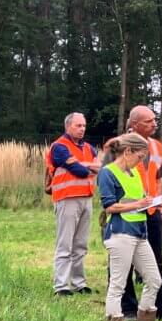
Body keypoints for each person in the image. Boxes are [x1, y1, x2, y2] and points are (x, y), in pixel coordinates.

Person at [98, 133, 162, 321]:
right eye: (140, 156)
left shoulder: (133, 173)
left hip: (139, 233)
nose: (141, 161)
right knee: (117, 285)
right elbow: (109, 205)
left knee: (154, 280)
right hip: (120, 234)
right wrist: (137, 205)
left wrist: (154, 201)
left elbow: (138, 201)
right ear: (127, 151)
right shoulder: (107, 173)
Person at [115, 105, 162, 321]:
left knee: (156, 260)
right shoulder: (119, 146)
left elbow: (158, 176)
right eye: (148, 121)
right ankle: (127, 309)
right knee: (124, 260)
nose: (154, 124)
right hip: (128, 212)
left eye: (155, 120)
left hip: (152, 212)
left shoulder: (156, 146)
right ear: (134, 124)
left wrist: (161, 199)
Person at [47, 112, 101, 296]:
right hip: (67, 198)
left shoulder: (89, 148)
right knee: (65, 243)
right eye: (78, 125)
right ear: (68, 126)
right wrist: (89, 166)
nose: (82, 129)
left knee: (80, 244)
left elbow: (98, 167)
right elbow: (77, 170)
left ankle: (79, 283)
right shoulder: (59, 147)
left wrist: (85, 165)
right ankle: (61, 285)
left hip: (86, 198)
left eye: (84, 125)